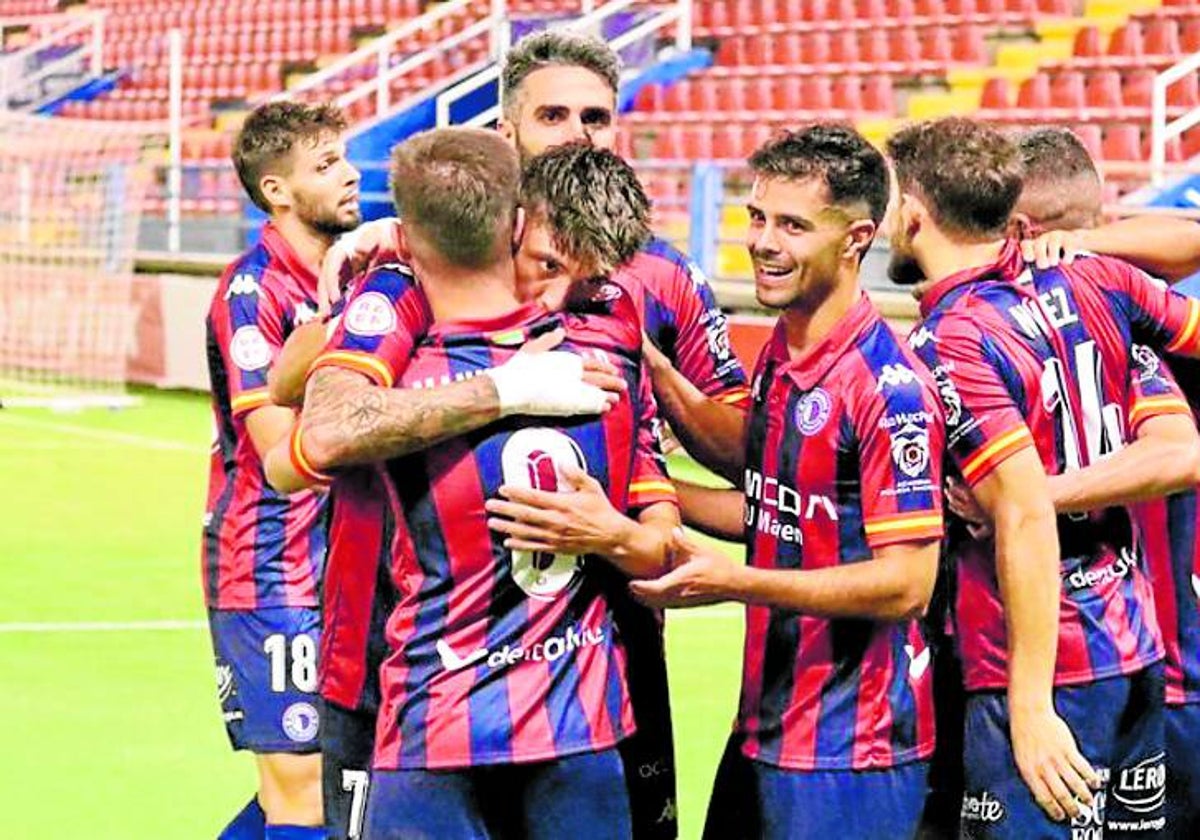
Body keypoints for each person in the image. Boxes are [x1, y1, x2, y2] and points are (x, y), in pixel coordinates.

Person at [287, 127, 678, 838]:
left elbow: (306, 443)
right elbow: (662, 550)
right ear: (521, 223)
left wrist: (348, 298)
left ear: (406, 237)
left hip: (430, 722)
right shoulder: (605, 360)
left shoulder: (403, 375)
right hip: (579, 724)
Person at [592, 124, 943, 840]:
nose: (762, 242)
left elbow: (908, 582)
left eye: (792, 225)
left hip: (853, 752)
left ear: (856, 239)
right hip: (763, 728)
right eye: (756, 217)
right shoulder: (785, 351)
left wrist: (737, 583)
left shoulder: (887, 387)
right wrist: (633, 485)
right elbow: (772, 509)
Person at [888, 116, 1200, 839]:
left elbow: (1026, 516)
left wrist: (1027, 704)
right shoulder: (1101, 291)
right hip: (1133, 643)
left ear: (912, 213)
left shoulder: (952, 338)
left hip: (1040, 663)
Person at [202, 101, 362, 840]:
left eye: (345, 157)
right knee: (303, 790)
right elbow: (279, 455)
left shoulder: (356, 275)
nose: (352, 174)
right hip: (273, 566)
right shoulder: (253, 292)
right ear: (277, 190)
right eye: (326, 165)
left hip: (348, 562)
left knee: (330, 779)